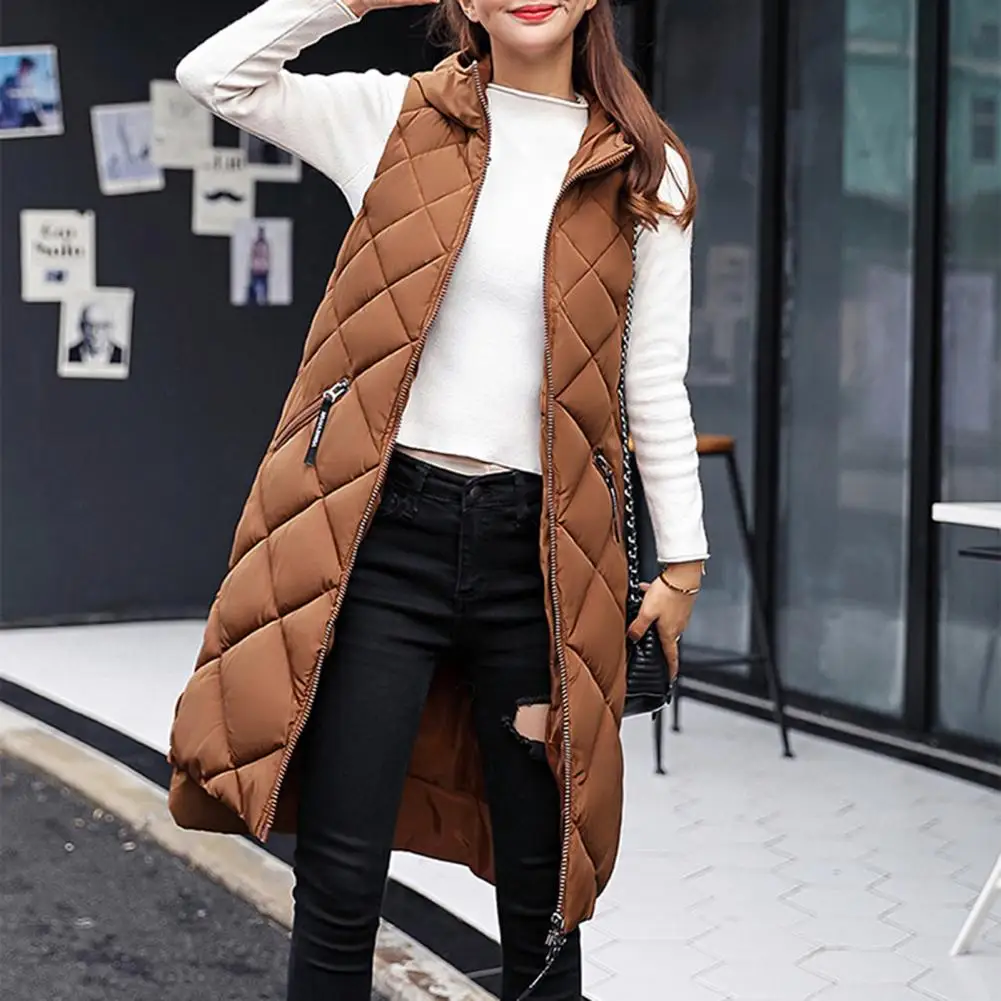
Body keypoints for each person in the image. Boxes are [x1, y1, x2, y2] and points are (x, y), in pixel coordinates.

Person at [167, 2, 709, 1000]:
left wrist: (681, 562)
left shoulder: (644, 167)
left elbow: (651, 381)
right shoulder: (393, 115)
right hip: (385, 541)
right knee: (340, 878)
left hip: (540, 559)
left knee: (544, 894)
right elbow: (214, 77)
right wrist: (346, 2)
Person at [0, 56, 42, 130]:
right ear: (21, 66)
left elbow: (32, 97)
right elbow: (3, 94)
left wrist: (38, 108)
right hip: (17, 114)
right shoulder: (10, 79)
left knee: (41, 129)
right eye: (27, 67)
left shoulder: (29, 80)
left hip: (30, 112)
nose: (28, 70)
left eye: (30, 68)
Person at [247, 225, 272, 304]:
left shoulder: (263, 244)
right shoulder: (258, 244)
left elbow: (267, 256)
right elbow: (253, 255)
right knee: (255, 287)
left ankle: (263, 301)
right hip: (257, 269)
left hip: (261, 269)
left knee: (263, 288)